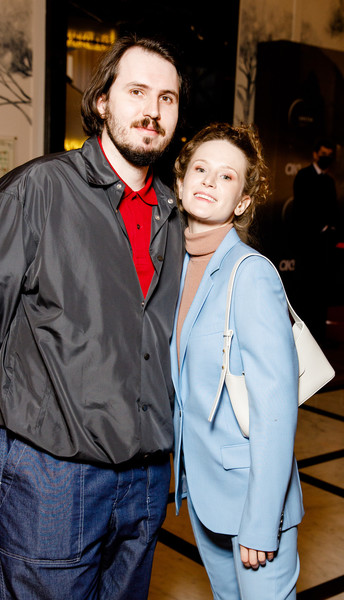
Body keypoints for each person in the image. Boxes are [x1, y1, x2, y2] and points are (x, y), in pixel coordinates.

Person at [0, 35, 185, 600]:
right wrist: (13, 406)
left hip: (146, 476)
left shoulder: (177, 214)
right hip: (53, 475)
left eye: (167, 98)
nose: (153, 111)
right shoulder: (37, 190)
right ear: (102, 101)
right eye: (137, 92)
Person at [171, 123, 304, 600]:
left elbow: (275, 408)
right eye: (200, 169)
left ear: (243, 202)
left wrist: (262, 521)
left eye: (227, 176)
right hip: (206, 492)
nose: (209, 181)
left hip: (253, 498)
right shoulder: (177, 267)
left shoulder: (251, 274)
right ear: (181, 183)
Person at [291, 138, 339, 343]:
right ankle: (303, 338)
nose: (326, 158)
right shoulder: (303, 176)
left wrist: (331, 229)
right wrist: (319, 226)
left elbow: (334, 211)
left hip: (325, 246)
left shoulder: (329, 181)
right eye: (323, 154)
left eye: (329, 155)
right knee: (305, 290)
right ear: (315, 154)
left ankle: (319, 337)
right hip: (306, 244)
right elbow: (302, 209)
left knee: (321, 290)